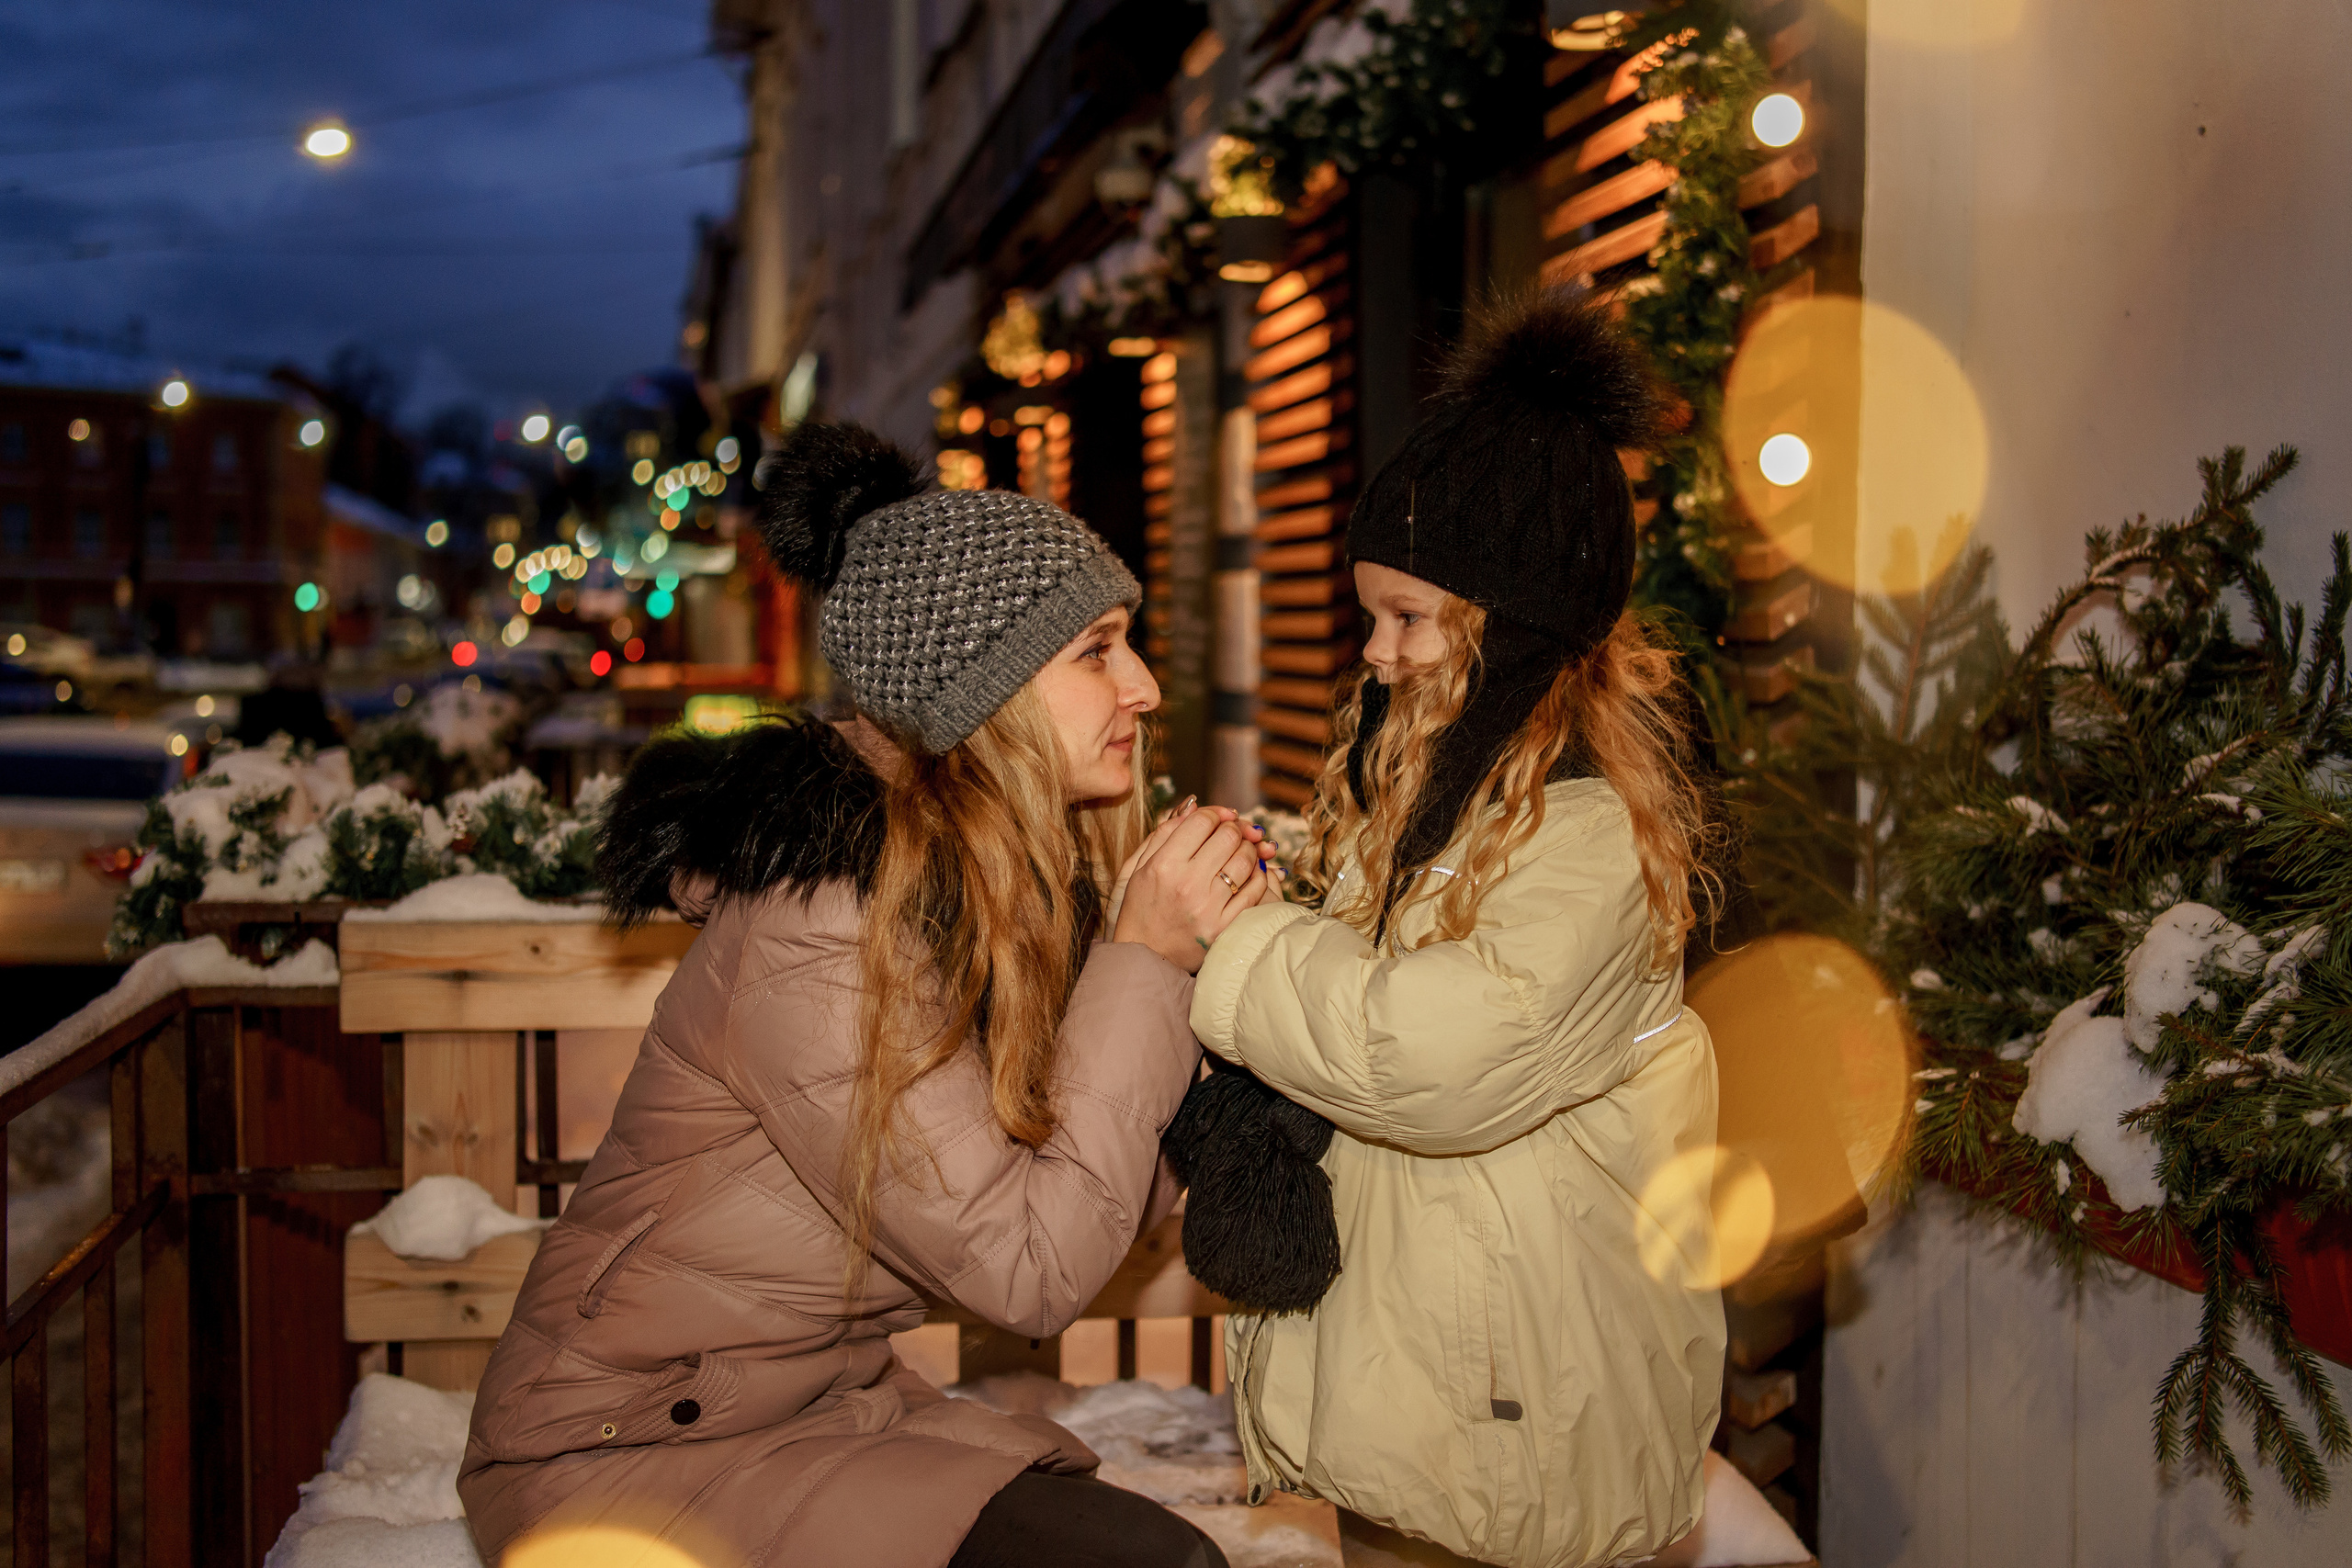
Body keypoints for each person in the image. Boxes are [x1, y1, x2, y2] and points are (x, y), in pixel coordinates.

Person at [457, 421, 1275, 1568]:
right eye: (1095, 649)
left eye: (1127, 642)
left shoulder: (995, 891)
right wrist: (1143, 964)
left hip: (814, 1411)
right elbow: (1027, 1272)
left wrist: (1188, 998)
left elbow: (1090, 1205)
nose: (1140, 687)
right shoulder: (825, 922)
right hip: (620, 1448)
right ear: (978, 695)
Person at [1174, 293, 1729, 1568]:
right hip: (1432, 1388)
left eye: (1409, 617)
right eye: (1370, 614)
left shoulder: (1587, 829)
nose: (1376, 653)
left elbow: (1437, 1056)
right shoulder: (1438, 784)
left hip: (1524, 1399)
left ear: (1509, 622)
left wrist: (1245, 938)